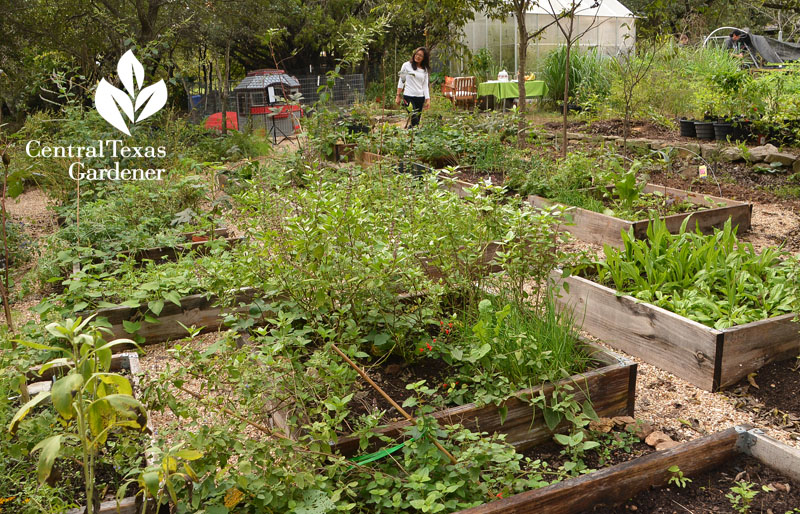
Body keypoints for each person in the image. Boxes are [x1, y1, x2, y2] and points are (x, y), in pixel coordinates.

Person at [396, 47, 430, 128]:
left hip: (420, 97)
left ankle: (411, 136)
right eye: (417, 54)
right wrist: (398, 95)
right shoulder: (406, 65)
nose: (418, 56)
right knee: (414, 117)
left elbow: (425, 86)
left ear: (424, 58)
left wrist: (428, 99)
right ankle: (412, 134)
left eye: (421, 56)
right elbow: (401, 81)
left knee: (416, 121)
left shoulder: (425, 70)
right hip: (408, 96)